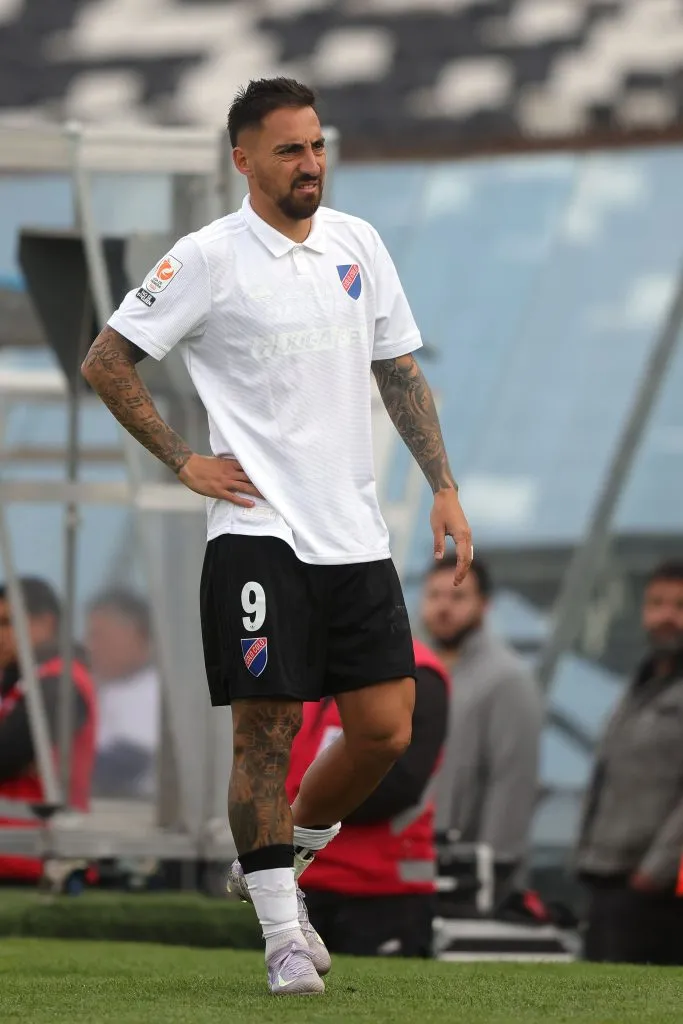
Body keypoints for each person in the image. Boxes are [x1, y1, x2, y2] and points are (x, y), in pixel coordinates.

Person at [81, 77, 471, 995]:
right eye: (290, 149)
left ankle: (277, 862)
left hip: (354, 533)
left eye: (317, 145)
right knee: (266, 732)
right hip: (257, 534)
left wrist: (443, 487)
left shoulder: (357, 244)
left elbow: (398, 368)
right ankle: (282, 940)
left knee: (384, 729)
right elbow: (109, 359)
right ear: (243, 158)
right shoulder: (207, 258)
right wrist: (183, 460)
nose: (310, 164)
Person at [286, 638, 450, 958]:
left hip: (382, 894)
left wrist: (301, 815)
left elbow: (402, 783)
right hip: (304, 885)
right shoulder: (309, 664)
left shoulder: (418, 673)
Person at [576, 559, 683, 965]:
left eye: (678, 605)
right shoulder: (637, 685)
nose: (665, 617)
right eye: (656, 604)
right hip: (607, 877)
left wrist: (656, 871)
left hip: (658, 892)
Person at [422, 556, 542, 899]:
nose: (444, 607)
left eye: (457, 597)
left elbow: (512, 780)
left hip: (472, 873)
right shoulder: (410, 671)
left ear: (484, 605)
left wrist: (494, 870)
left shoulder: (508, 679)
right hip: (409, 861)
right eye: (434, 596)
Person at [0, 577, 97, 882]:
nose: (0, 634)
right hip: (19, 855)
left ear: (45, 622)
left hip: (37, 860)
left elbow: (6, 754)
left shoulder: (60, 683)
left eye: (7, 622)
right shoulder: (24, 681)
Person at [85, 589, 160, 800]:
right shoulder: (102, 688)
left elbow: (124, 765)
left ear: (139, 637)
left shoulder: (152, 692)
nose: (92, 647)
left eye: (100, 636)